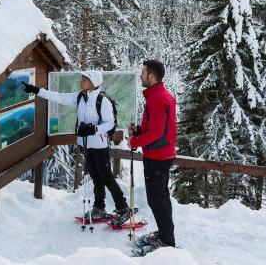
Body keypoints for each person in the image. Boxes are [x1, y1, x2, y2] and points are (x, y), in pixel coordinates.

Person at [22, 70, 129, 220]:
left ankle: (123, 207)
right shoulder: (80, 97)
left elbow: (110, 123)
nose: (81, 82)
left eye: (84, 80)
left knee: (107, 177)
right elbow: (59, 97)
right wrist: (37, 90)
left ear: (92, 83)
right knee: (96, 177)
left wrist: (94, 129)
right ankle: (99, 208)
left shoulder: (102, 101)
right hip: (86, 145)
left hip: (100, 146)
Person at [128, 60, 177, 250]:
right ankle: (165, 234)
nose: (140, 75)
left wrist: (135, 141)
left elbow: (156, 133)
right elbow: (159, 129)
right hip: (161, 155)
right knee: (160, 199)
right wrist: (140, 130)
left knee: (158, 200)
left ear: (151, 76)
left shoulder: (157, 98)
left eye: (143, 72)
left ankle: (167, 241)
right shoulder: (160, 96)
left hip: (158, 157)